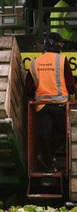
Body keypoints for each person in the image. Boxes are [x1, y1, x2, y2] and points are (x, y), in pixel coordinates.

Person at [26, 32, 76, 172]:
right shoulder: (62, 60)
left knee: (46, 135)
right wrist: (71, 92)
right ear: (54, 44)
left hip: (41, 107)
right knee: (63, 133)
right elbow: (71, 86)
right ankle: (47, 158)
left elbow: (29, 89)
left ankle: (47, 159)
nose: (62, 46)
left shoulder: (34, 63)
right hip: (59, 106)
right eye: (60, 44)